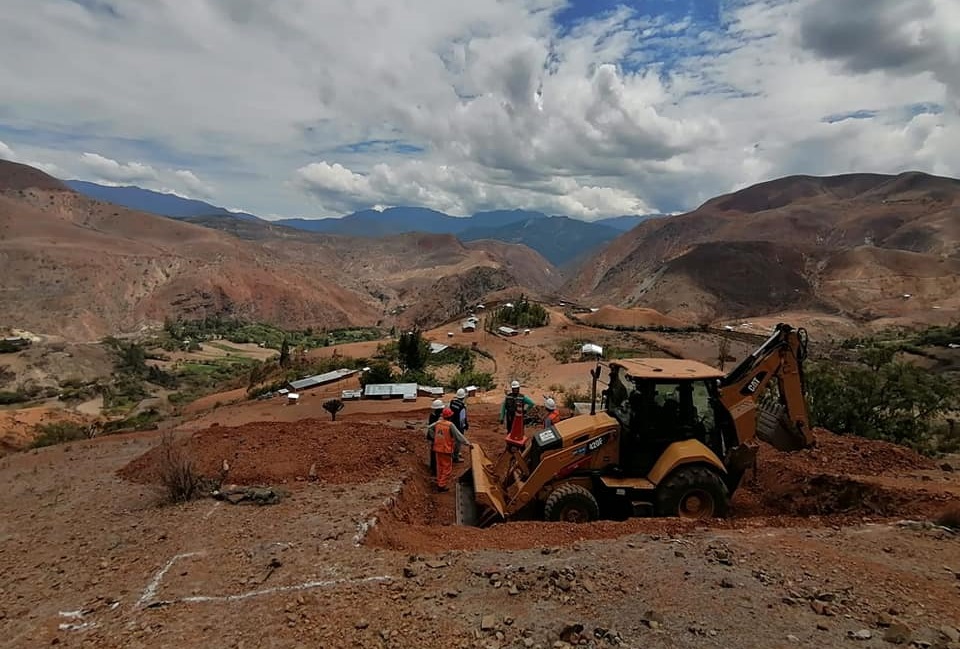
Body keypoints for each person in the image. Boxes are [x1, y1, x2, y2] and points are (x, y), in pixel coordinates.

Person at [428, 407, 471, 492]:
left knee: (439, 466)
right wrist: (468, 443)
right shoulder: (450, 425)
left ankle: (439, 481)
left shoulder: (438, 423)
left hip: (437, 448)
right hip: (445, 449)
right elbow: (458, 436)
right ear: (450, 416)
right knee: (447, 468)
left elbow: (429, 428)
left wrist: (435, 437)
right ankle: (441, 485)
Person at [448, 388, 470, 462]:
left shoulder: (452, 402)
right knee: (458, 440)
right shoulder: (462, 406)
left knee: (451, 439)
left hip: (451, 423)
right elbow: (462, 418)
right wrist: (465, 425)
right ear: (463, 397)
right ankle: (456, 456)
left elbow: (449, 411)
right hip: (458, 425)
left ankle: (452, 452)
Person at [426, 398, 444, 474]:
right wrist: (435, 438)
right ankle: (435, 469)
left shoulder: (433, 415)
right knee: (435, 453)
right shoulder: (436, 417)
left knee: (434, 452)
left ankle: (434, 468)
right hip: (435, 437)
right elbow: (431, 429)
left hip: (435, 437)